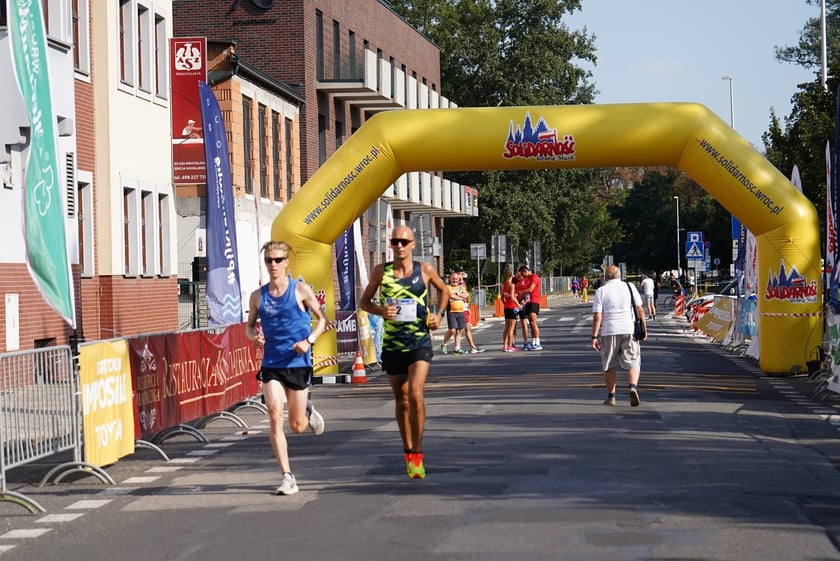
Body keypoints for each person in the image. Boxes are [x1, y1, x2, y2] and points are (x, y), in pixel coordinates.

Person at [360, 226, 450, 479]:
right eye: (395, 241)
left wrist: (438, 315)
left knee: (415, 394)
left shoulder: (425, 270)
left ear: (412, 245)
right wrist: (380, 311)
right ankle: (407, 450)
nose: (399, 245)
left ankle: (418, 451)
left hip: (419, 341)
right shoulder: (382, 271)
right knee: (401, 400)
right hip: (392, 345)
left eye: (403, 241)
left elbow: (444, 290)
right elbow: (364, 302)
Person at [245, 241, 327, 495]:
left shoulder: (300, 290)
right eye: (269, 260)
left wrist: (308, 341)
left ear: (286, 262)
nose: (273, 265)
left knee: (297, 425)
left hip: (298, 363)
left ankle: (308, 411)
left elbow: (322, 320)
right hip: (272, 363)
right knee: (273, 413)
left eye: (278, 260)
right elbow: (248, 326)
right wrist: (254, 337)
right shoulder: (258, 296)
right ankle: (287, 476)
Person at [590, 265, 646, 407]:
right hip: (629, 329)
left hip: (609, 330)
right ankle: (632, 387)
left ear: (605, 277)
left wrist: (594, 337)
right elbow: (640, 309)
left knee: (609, 365)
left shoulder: (601, 291)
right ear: (619, 275)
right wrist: (644, 329)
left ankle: (611, 397)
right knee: (633, 361)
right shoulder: (630, 287)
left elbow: (597, 316)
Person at [440, 270, 469, 354]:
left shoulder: (461, 287)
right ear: (450, 279)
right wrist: (461, 298)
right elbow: (451, 295)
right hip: (451, 311)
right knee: (452, 330)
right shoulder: (448, 287)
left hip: (461, 311)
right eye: (453, 278)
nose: (455, 280)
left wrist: (457, 294)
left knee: (459, 330)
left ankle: (457, 348)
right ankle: (444, 344)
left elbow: (467, 295)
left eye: (456, 279)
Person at [516, 265, 543, 350]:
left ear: (525, 271)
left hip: (534, 301)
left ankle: (538, 342)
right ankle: (534, 341)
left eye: (523, 274)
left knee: (533, 322)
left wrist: (521, 293)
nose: (522, 276)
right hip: (528, 301)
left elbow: (530, 289)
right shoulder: (528, 279)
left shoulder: (534, 277)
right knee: (531, 323)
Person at [501, 268, 520, 352]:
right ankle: (509, 345)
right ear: (511, 276)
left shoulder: (504, 284)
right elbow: (513, 297)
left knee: (506, 327)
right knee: (511, 328)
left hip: (506, 307)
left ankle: (504, 345)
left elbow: (502, 297)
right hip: (512, 307)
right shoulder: (512, 285)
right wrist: (519, 305)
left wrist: (505, 303)